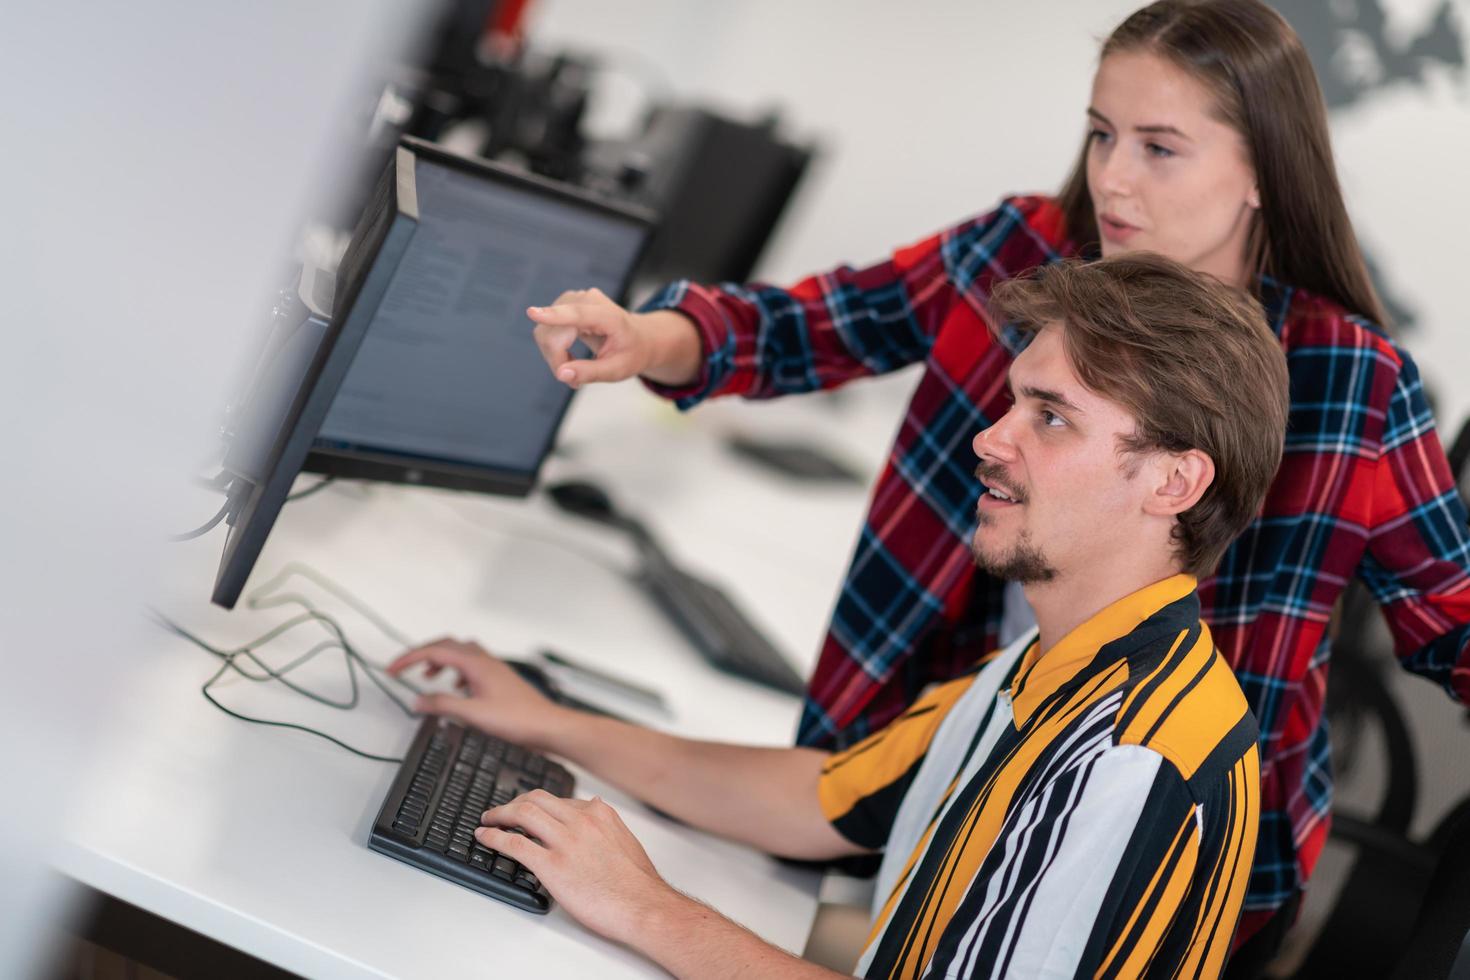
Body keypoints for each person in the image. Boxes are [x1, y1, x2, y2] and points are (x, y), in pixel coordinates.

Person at [523, 0, 1470, 966]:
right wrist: (647, 339)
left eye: (1159, 147)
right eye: (1101, 135)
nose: (1113, 177)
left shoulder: (1349, 381)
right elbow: (818, 325)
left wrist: (644, 905)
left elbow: (1455, 616)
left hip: (1143, 833)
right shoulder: (1027, 256)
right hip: (965, 752)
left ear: (1266, 168)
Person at [393, 254, 1289, 979]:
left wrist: (642, 906)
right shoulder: (1051, 668)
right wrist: (546, 722)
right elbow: (820, 800)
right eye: (1017, 398)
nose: (990, 436)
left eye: (1052, 418)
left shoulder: (1132, 763)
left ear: (1174, 481)